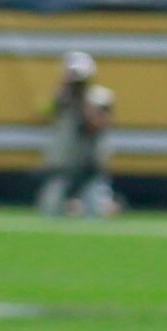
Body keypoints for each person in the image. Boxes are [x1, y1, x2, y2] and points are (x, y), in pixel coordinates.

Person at [34, 50, 116, 217]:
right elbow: (42, 116)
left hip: (89, 168)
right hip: (63, 166)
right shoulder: (61, 99)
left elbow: (99, 125)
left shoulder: (99, 98)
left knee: (95, 213)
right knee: (51, 211)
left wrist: (83, 106)